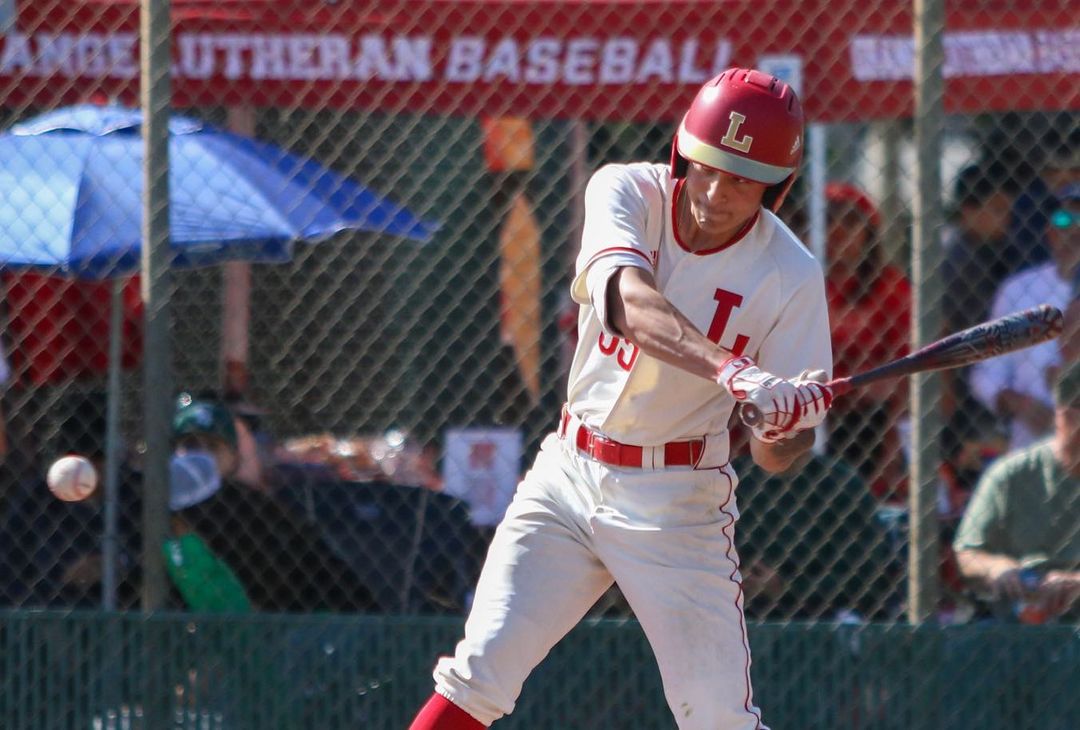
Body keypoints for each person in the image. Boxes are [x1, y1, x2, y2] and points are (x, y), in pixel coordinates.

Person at [408, 68, 834, 730]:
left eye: (743, 179)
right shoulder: (627, 189)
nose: (717, 193)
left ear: (775, 189)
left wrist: (782, 425)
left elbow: (780, 455)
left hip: (678, 500)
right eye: (707, 167)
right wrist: (739, 375)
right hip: (569, 475)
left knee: (718, 716)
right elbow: (627, 304)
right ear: (681, 153)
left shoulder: (792, 274)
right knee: (479, 672)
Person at [169, 393, 379, 613]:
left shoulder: (253, 511)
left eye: (212, 446)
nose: (200, 455)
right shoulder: (158, 504)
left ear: (233, 458)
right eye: (191, 444)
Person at [953, 362, 1080, 623]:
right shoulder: (1012, 474)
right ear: (1063, 416)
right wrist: (998, 568)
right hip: (1022, 617)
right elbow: (967, 552)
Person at [970, 183, 1080, 451]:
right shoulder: (1018, 289)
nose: (1074, 229)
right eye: (1064, 219)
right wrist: (1018, 403)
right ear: (1050, 231)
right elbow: (985, 373)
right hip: (1031, 446)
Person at [822, 182, 911, 500]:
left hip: (872, 419)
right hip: (816, 410)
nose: (837, 232)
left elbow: (903, 375)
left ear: (868, 232)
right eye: (828, 221)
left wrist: (891, 449)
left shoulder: (890, 287)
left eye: (849, 222)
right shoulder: (800, 282)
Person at [733, 452, 897, 621]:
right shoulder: (733, 480)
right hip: (739, 607)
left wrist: (786, 588)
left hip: (821, 612)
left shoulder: (840, 483)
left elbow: (866, 574)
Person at [941, 162, 1024, 334]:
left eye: (1008, 210)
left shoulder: (990, 246)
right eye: (998, 209)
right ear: (968, 210)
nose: (1007, 219)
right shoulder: (957, 256)